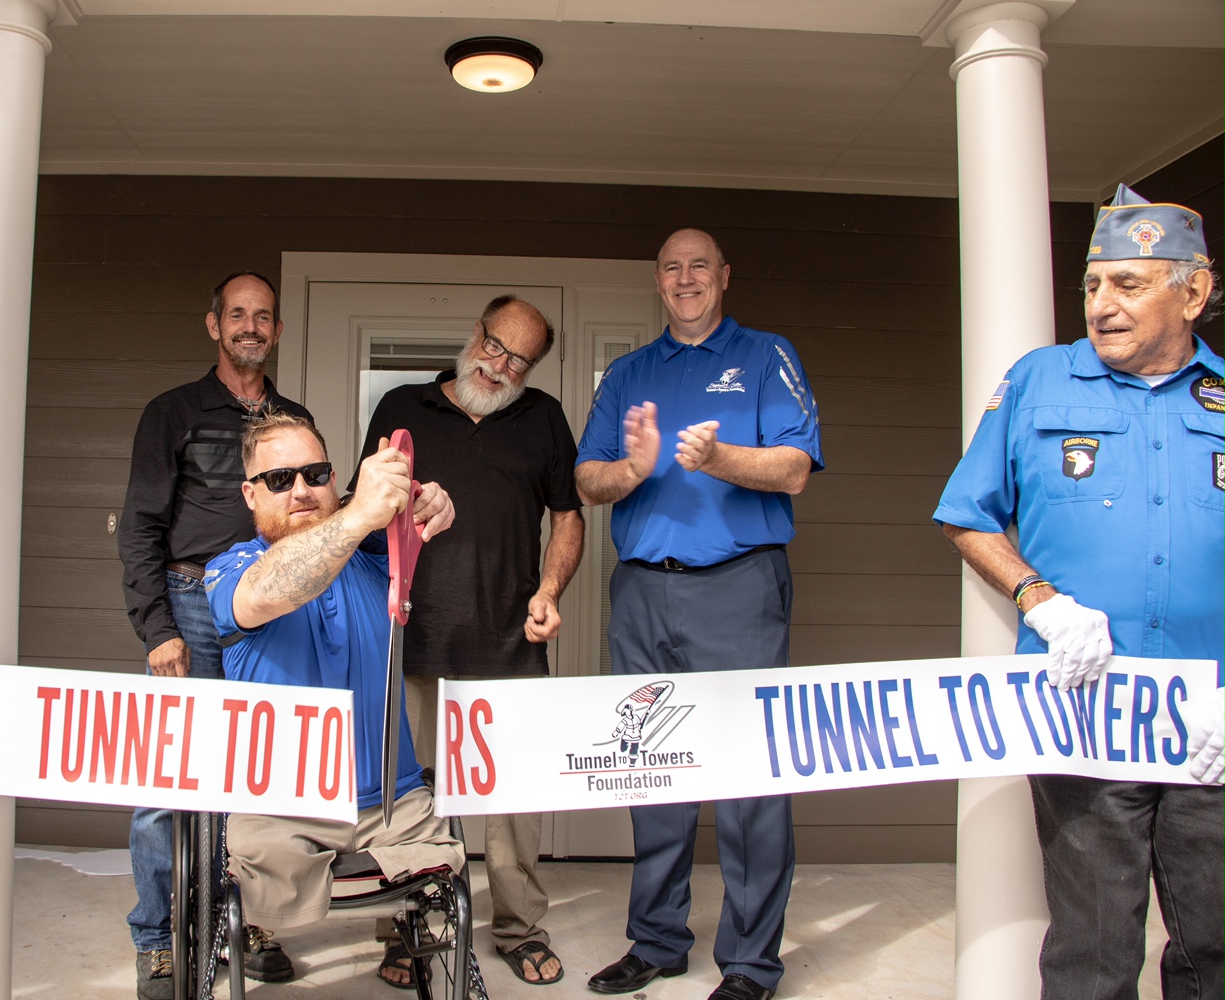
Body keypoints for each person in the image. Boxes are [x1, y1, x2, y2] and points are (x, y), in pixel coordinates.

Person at [934, 183, 1225, 1000]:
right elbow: (966, 515)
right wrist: (1040, 600)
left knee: (1214, 943)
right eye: (1093, 285)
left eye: (1129, 285)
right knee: (1092, 951)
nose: (1101, 305)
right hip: (1088, 712)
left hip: (1214, 723)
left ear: (1194, 291)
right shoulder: (1038, 382)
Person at [575, 228, 822, 1000]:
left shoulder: (764, 355)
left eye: (699, 267)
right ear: (659, 281)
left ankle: (750, 964)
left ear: (723, 277)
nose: (686, 279)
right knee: (648, 769)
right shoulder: (628, 372)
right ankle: (657, 941)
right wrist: (633, 468)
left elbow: (793, 469)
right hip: (643, 589)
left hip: (738, 585)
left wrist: (718, 459)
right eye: (673, 268)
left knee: (751, 775)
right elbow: (587, 479)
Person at [351, 294, 584, 987]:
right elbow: (363, 513)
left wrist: (548, 594)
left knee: (513, 810)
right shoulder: (401, 408)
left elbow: (569, 521)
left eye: (520, 357)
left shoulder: (542, 419)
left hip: (509, 647)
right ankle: (410, 929)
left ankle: (517, 927)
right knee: (406, 805)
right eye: (494, 344)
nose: (501, 363)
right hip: (412, 639)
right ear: (474, 333)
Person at [202, 411, 464, 979]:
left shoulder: (375, 557)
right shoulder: (231, 569)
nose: (301, 490)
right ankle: (255, 930)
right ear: (250, 494)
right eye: (279, 480)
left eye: (315, 473)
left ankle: (405, 934)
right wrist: (358, 514)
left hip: (391, 805)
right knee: (247, 862)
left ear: (333, 477)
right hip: (278, 812)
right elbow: (267, 592)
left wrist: (426, 504)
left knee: (447, 874)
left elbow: (410, 524)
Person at [117, 271, 311, 999]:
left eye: (263, 317)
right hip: (190, 602)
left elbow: (311, 517)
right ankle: (159, 940)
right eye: (238, 315)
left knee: (258, 771)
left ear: (278, 330)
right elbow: (140, 526)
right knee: (169, 775)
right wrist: (156, 629)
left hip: (270, 607)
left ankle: (249, 921)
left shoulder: (294, 419)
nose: (251, 327)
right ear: (214, 325)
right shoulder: (172, 413)